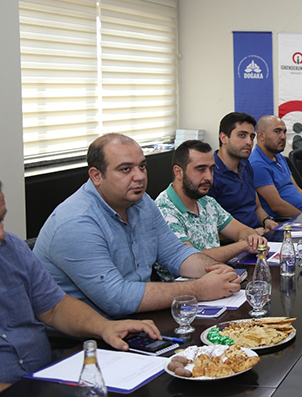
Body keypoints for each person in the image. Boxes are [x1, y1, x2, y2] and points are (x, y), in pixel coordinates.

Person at [33, 134, 243, 319]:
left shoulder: (142, 203)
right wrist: (199, 289)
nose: (140, 177)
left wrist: (216, 269)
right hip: (87, 338)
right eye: (125, 169)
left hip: (139, 318)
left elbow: (175, 253)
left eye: (142, 166)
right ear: (97, 176)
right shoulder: (76, 222)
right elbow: (116, 298)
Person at [0, 182, 163, 390]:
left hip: (48, 375)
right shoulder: (74, 220)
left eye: (2, 219)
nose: (2, 234)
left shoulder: (12, 249)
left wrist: (105, 327)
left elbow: (54, 307)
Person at [155, 140, 268, 280]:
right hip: (185, 289)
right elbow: (193, 259)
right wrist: (243, 245)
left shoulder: (206, 202)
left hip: (219, 280)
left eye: (211, 169)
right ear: (178, 172)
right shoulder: (163, 210)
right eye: (201, 169)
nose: (209, 177)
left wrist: (253, 238)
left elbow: (242, 230)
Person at [208, 112, 278, 231]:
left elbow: (256, 207)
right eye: (242, 135)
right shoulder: (210, 173)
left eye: (251, 137)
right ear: (223, 138)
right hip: (234, 240)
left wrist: (267, 221)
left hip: (257, 234)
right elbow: (210, 230)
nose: (249, 142)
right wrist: (249, 234)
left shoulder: (245, 165)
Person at [251, 115, 302, 218]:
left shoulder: (278, 156)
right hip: (288, 220)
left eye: (284, 132)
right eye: (277, 131)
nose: (283, 137)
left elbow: (296, 188)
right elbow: (277, 206)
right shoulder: (257, 164)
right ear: (261, 135)